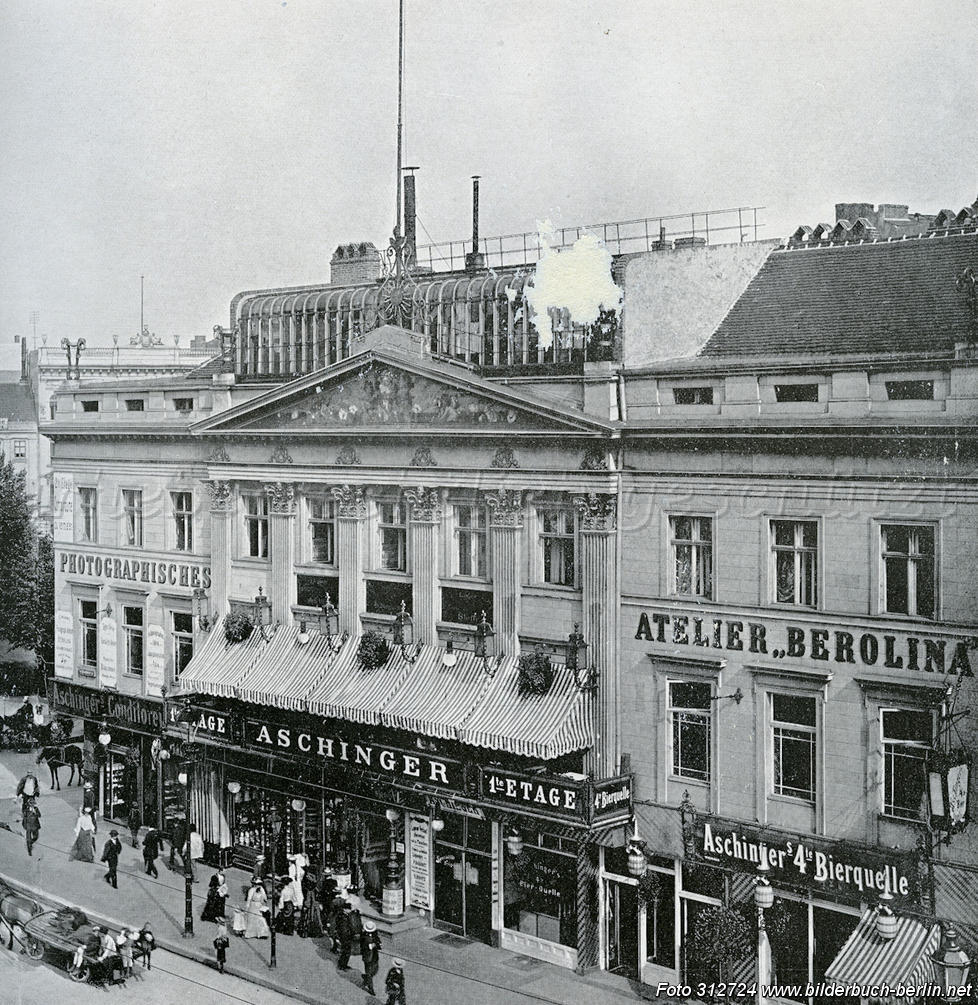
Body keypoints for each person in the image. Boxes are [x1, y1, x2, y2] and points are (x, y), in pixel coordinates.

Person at [360, 919, 382, 996]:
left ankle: (366, 978)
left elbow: (378, 943)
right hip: (368, 957)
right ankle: (370, 988)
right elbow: (366, 947)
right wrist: (374, 945)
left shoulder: (374, 935)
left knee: (375, 970)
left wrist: (377, 944)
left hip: (374, 956)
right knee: (369, 972)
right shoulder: (364, 937)